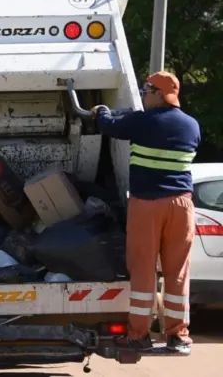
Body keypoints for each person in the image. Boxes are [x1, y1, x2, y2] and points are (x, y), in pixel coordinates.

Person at [92, 71, 200, 355]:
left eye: (145, 90)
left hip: (147, 205)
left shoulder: (142, 122)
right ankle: (179, 336)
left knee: (143, 269)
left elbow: (108, 126)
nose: (142, 94)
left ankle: (139, 335)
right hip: (181, 206)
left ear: (157, 94)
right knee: (178, 272)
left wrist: (101, 109)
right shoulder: (192, 126)